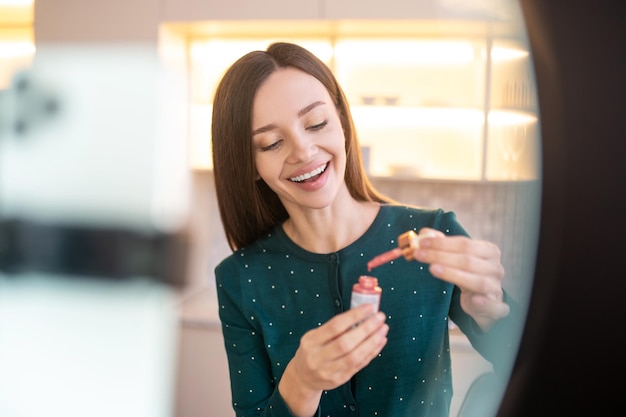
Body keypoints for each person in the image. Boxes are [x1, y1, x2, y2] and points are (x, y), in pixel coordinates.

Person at [211, 42, 522, 417]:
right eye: (272, 143)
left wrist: (492, 315)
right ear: (249, 162)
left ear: (342, 121)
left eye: (316, 123)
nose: (304, 151)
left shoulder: (432, 233)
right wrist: (300, 384)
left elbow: (537, 365)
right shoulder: (240, 279)